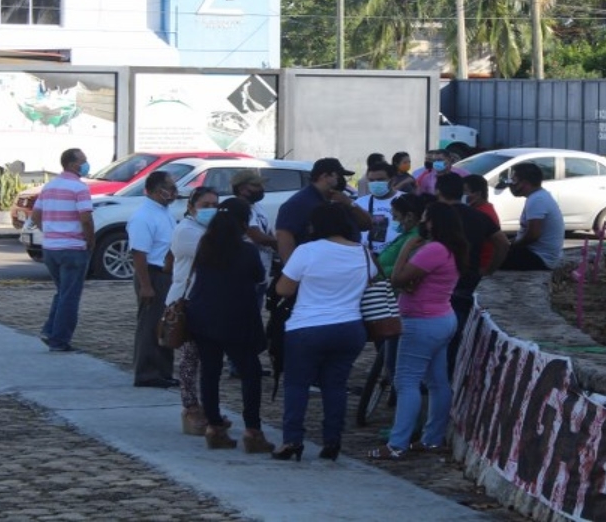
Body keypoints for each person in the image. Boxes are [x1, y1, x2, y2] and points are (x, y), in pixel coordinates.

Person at [272, 203, 376, 462]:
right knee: (336, 386)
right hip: (350, 327)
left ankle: (292, 440)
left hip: (307, 327)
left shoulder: (306, 251)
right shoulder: (363, 254)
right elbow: (370, 281)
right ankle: (333, 440)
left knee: (297, 384)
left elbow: (283, 290)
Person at [368, 202, 466, 460]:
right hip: (442, 318)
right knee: (437, 381)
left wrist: (406, 249)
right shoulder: (451, 249)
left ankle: (397, 444)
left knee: (406, 381)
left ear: (432, 222)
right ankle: (432, 439)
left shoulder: (432, 249)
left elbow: (397, 279)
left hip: (421, 322)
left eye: (425, 218)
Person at [185, 198, 275, 453]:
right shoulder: (246, 250)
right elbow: (259, 276)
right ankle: (253, 430)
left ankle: (214, 426)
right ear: (244, 222)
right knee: (251, 373)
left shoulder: (205, 244)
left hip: (203, 316)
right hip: (237, 318)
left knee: (210, 372)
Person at [434, 173, 508, 374]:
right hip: (469, 279)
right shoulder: (479, 216)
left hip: (439, 283)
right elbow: (502, 243)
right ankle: (451, 372)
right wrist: (489, 269)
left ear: (438, 191)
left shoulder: (436, 216)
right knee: (457, 333)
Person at [31, 148, 94, 353]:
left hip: (51, 248)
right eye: (83, 161)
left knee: (62, 292)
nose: (86, 164)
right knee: (70, 296)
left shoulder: (49, 187)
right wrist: (90, 240)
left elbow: (35, 216)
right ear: (73, 164)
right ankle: (59, 339)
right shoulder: (79, 188)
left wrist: (49, 232)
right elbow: (86, 218)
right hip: (73, 248)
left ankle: (50, 331)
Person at [168, 186, 220, 435]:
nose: (211, 210)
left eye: (215, 205)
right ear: (191, 207)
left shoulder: (207, 230)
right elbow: (215, 254)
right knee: (190, 358)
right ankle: (190, 407)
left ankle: (208, 410)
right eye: (205, 205)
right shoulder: (187, 231)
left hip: (207, 301)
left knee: (206, 357)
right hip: (186, 301)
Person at [126, 171, 179, 388]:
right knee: (150, 326)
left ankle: (163, 371)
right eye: (171, 187)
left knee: (165, 325)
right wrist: (146, 286)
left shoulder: (163, 212)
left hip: (166, 274)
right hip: (153, 274)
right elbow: (139, 253)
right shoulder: (144, 216)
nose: (175, 192)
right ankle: (147, 373)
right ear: (159, 190)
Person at [275, 157, 372, 263]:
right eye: (339, 176)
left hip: (345, 263)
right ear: (325, 176)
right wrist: (294, 271)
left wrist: (349, 204)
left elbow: (367, 224)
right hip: (316, 266)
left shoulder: (340, 199)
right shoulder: (298, 204)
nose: (342, 181)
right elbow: (284, 239)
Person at [499, 162, 565, 271]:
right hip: (540, 255)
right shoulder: (539, 196)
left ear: (524, 183)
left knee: (491, 257)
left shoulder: (537, 200)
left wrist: (511, 246)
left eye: (513, 182)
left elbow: (533, 235)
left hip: (540, 258)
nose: (511, 186)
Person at [231, 169, 279, 297]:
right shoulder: (240, 208)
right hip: (246, 273)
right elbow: (257, 236)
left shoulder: (257, 207)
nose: (262, 189)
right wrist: (284, 244)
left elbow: (268, 234)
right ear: (242, 189)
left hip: (262, 269)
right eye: (256, 185)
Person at [355, 160, 402, 259]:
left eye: (380, 180)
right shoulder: (359, 203)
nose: (375, 183)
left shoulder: (405, 200)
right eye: (371, 180)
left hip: (395, 258)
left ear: (392, 180)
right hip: (366, 258)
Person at [463, 174, 502, 274]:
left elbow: (502, 244)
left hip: (479, 266)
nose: (462, 195)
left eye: (465, 191)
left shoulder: (481, 214)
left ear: (478, 194)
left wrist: (488, 271)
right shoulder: (480, 209)